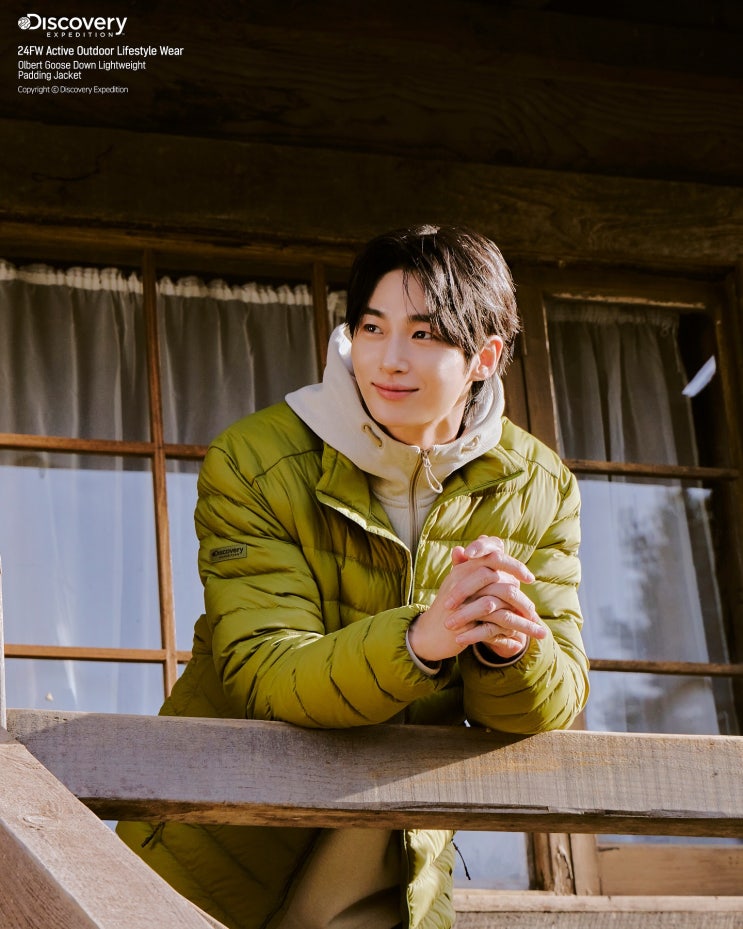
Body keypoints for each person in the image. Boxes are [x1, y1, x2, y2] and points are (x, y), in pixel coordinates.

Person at [117, 225, 589, 929]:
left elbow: (554, 696)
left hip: (389, 860)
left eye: (424, 334)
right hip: (216, 846)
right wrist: (421, 641)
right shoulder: (255, 459)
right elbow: (262, 669)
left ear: (484, 358)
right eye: (372, 327)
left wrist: (508, 646)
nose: (389, 359)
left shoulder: (539, 484)